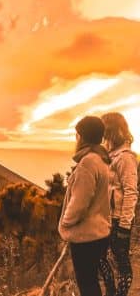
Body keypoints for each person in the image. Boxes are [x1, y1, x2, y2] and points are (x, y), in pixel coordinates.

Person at [59, 116, 112, 296]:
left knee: (87, 286)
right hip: (99, 233)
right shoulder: (101, 159)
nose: (76, 139)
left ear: (83, 137)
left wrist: (65, 224)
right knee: (92, 283)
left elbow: (79, 203)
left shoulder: (88, 162)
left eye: (77, 135)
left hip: (86, 237)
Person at [98, 112, 138, 296]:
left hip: (118, 220)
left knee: (122, 263)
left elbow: (131, 192)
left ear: (113, 131)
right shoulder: (110, 155)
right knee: (98, 257)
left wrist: (124, 226)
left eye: (105, 131)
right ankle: (111, 292)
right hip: (105, 219)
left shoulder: (126, 158)